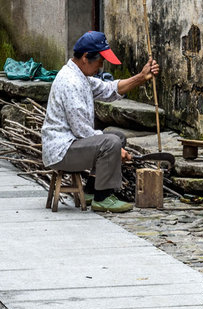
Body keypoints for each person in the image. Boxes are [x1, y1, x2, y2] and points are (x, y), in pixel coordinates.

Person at [41, 31, 159, 213]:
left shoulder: (82, 77)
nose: (101, 66)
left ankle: (91, 190)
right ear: (86, 58)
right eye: (100, 61)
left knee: (116, 137)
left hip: (71, 144)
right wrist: (115, 150)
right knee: (111, 142)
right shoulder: (71, 82)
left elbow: (110, 89)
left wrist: (142, 77)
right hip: (62, 151)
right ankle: (103, 197)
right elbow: (82, 130)